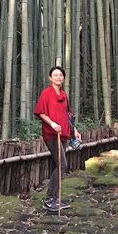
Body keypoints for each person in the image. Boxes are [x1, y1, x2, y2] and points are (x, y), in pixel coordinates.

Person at [33, 66, 81, 211]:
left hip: (64, 133)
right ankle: (48, 200)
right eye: (55, 75)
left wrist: (75, 131)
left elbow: (68, 115)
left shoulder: (64, 95)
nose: (58, 77)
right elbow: (41, 112)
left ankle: (55, 199)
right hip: (51, 133)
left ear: (63, 78)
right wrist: (53, 124)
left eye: (60, 75)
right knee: (62, 164)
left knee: (57, 165)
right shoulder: (46, 93)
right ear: (50, 78)